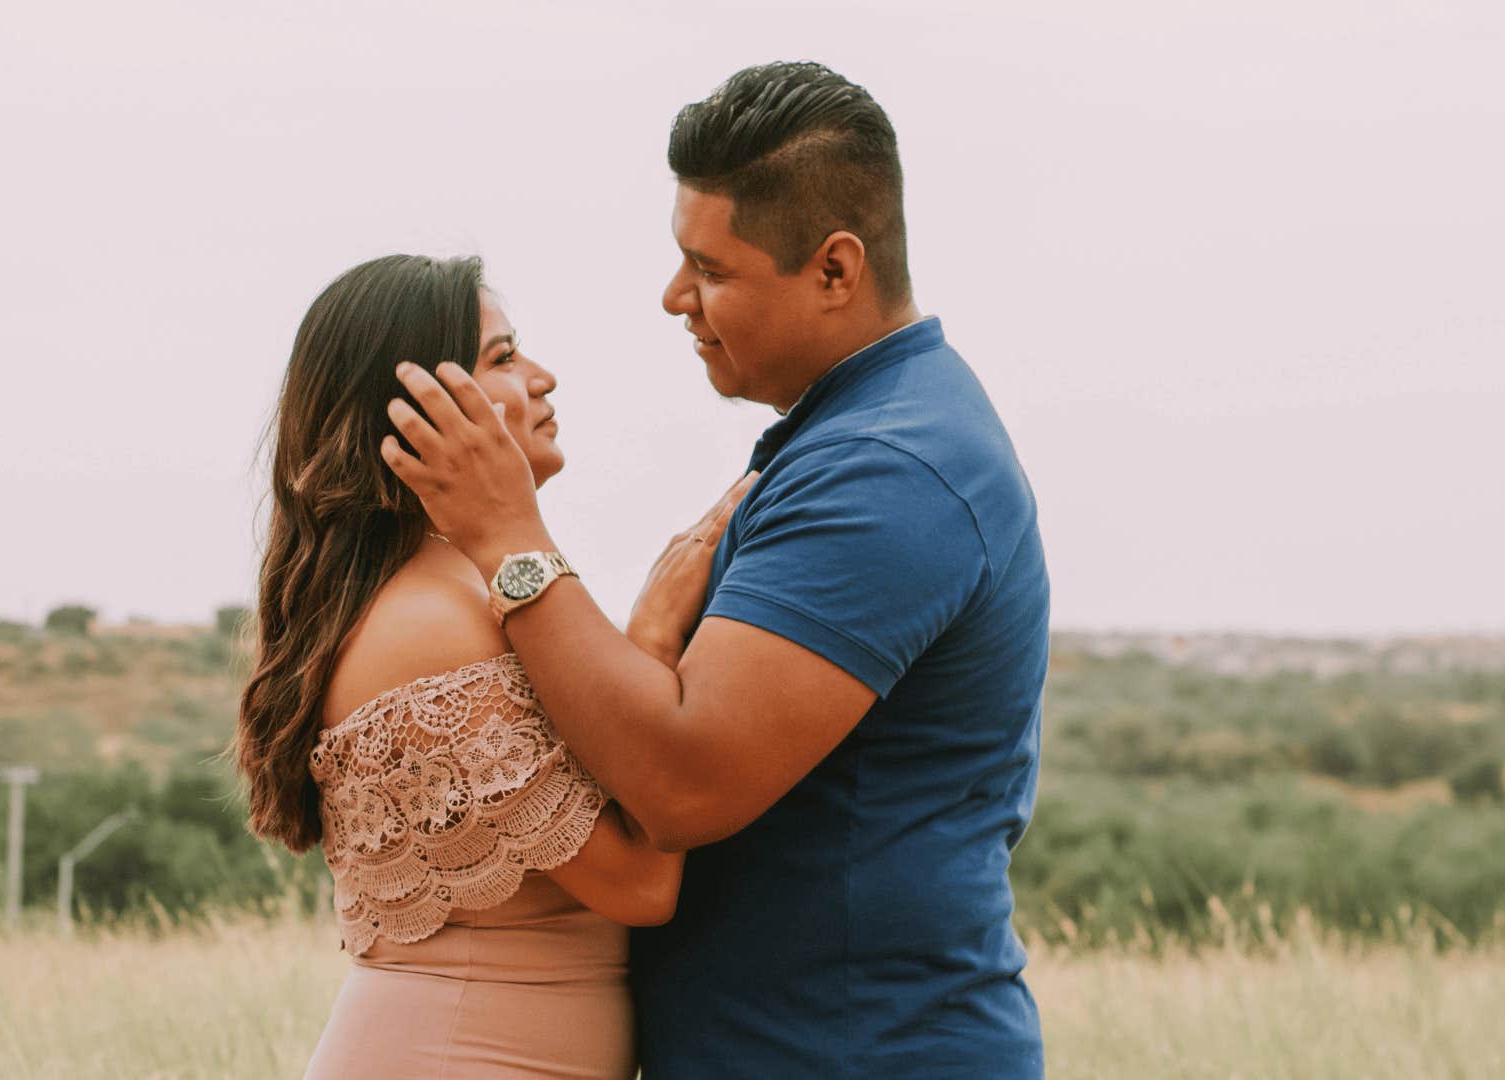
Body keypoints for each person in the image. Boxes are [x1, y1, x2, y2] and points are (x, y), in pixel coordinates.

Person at [381, 62, 1050, 1077]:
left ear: (835, 270)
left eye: (713, 269)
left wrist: (512, 541)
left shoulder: (887, 470)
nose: (674, 298)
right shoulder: (850, 436)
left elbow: (683, 790)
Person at [230, 253, 749, 1078]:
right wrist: (650, 637)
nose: (543, 379)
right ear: (417, 416)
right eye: (504, 358)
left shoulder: (462, 592)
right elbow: (640, 885)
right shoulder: (432, 623)